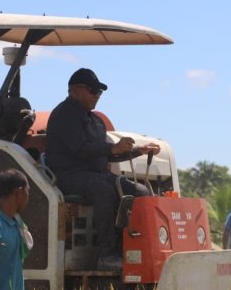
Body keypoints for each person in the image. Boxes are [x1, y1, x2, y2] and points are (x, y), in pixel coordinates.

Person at [45, 68, 160, 271]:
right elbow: (79, 148)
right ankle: (106, 255)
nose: (97, 96)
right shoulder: (64, 115)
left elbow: (108, 153)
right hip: (68, 175)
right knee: (104, 190)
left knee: (140, 191)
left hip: (97, 176)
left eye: (100, 92)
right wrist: (112, 148)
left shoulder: (95, 121)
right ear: (75, 90)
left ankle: (135, 249)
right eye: (93, 91)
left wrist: (137, 151)